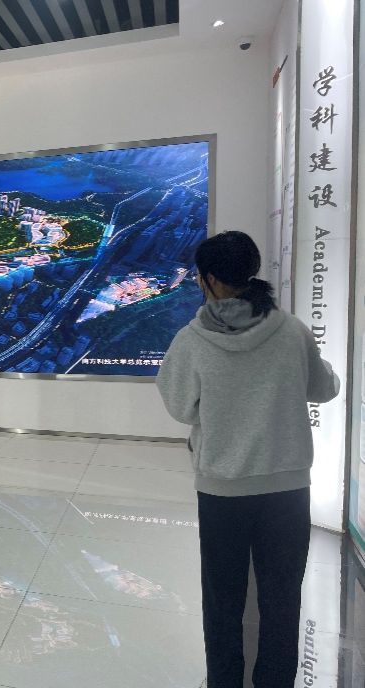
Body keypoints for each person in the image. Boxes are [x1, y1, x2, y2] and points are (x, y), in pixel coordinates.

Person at [156, 231, 340, 688]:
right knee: (282, 599)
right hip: (287, 487)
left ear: (211, 280)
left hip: (222, 488)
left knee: (222, 601)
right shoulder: (292, 330)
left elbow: (180, 407)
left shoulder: (191, 340)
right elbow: (323, 389)